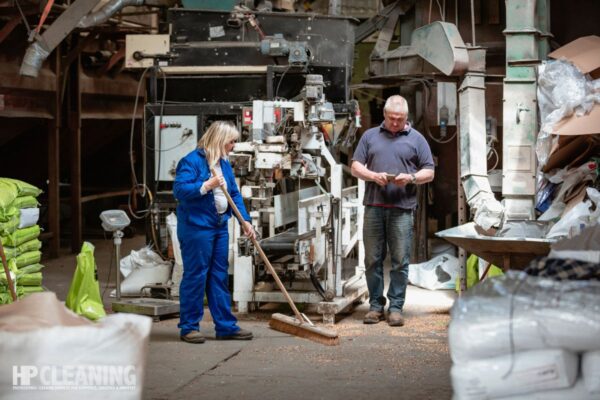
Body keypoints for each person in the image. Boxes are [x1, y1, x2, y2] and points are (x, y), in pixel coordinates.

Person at [351, 95, 435, 327]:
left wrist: (411, 177)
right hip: (374, 207)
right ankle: (376, 306)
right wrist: (372, 175)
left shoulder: (417, 139)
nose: (395, 123)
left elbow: (430, 171)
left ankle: (396, 307)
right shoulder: (370, 136)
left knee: (399, 260)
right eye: (391, 119)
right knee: (372, 259)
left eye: (399, 119)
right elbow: (355, 165)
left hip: (402, 209)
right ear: (384, 116)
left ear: (406, 118)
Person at [173, 120, 256, 343]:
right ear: (220, 140)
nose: (234, 146)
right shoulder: (191, 162)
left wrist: (245, 221)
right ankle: (189, 327)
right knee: (196, 274)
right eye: (231, 141)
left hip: (219, 226)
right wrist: (207, 185)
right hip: (196, 227)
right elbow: (180, 191)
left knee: (219, 275)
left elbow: (234, 194)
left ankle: (226, 326)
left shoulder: (223, 164)